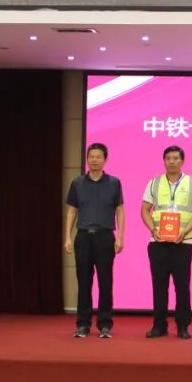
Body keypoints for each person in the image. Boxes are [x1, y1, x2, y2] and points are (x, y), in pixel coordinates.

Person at [141, 145, 192, 340]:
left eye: (176, 158)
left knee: (182, 286)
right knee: (159, 286)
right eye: (168, 158)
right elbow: (145, 210)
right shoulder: (154, 183)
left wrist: (185, 231)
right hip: (158, 242)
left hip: (182, 243)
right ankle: (159, 325)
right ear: (164, 161)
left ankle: (183, 325)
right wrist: (153, 229)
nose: (172, 161)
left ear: (182, 161)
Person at [64, 142, 124, 338]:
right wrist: (67, 236)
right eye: (91, 156)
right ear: (87, 159)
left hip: (105, 238)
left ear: (105, 159)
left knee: (105, 283)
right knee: (84, 283)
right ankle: (83, 324)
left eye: (99, 157)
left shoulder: (114, 183)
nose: (94, 160)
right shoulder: (77, 183)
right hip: (83, 237)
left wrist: (120, 236)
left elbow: (119, 210)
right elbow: (72, 211)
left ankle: (105, 324)